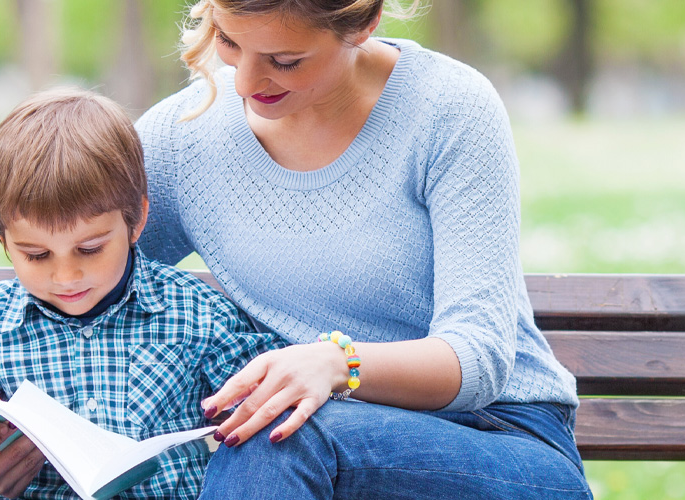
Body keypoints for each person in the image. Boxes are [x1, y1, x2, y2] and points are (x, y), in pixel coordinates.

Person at [132, 0, 594, 498]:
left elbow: (478, 358)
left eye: (285, 61)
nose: (244, 82)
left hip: (499, 439)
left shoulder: (449, 107)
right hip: (308, 449)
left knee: (281, 433)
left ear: (364, 25)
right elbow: (69, 271)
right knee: (276, 430)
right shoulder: (184, 136)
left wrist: (337, 363)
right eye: (228, 42)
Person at [0, 87, 284, 500]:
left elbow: (266, 409)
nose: (66, 275)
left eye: (90, 249)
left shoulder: (198, 315)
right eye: (36, 255)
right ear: (3, 240)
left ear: (136, 220)